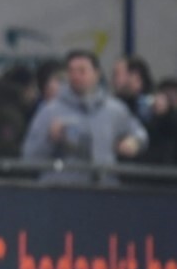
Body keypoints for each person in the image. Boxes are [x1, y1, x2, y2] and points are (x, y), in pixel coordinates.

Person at [21, 50, 148, 185]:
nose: (76, 76)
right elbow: (29, 158)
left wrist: (135, 142)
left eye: (82, 71)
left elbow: (140, 133)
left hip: (105, 191)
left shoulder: (115, 110)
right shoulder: (49, 112)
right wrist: (50, 140)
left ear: (97, 73)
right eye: (71, 71)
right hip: (62, 191)